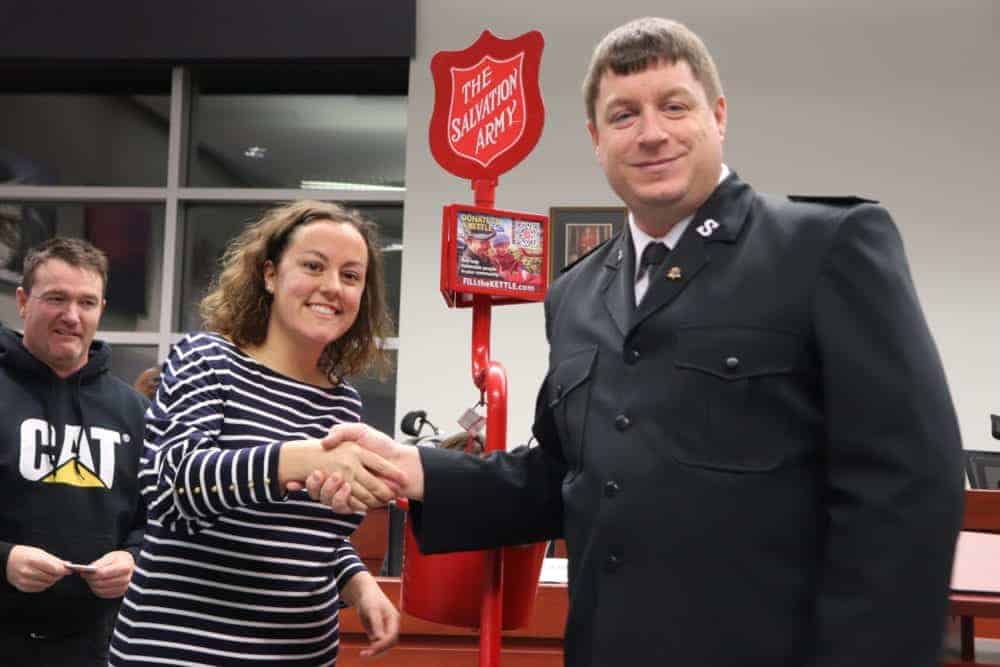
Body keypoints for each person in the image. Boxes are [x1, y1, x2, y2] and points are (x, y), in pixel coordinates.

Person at [314, 17, 965, 667]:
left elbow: (907, 488)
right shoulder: (575, 295)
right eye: (623, 115)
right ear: (596, 140)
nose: (651, 133)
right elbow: (563, 476)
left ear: (717, 115)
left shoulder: (825, 248)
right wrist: (415, 468)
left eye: (674, 106)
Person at [109, 201, 405, 666]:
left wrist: (358, 581)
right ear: (270, 274)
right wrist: (303, 459)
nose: (332, 287)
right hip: (181, 653)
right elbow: (169, 490)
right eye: (313, 266)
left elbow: (304, 532)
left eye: (351, 276)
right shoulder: (208, 361)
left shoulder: (343, 403)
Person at [0, 237, 148, 666]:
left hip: (95, 647)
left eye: (86, 302)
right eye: (56, 299)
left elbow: (156, 517)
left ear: (101, 308)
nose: (71, 316)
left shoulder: (136, 412)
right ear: (24, 301)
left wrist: (133, 557)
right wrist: (4, 559)